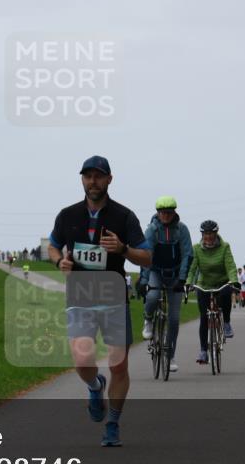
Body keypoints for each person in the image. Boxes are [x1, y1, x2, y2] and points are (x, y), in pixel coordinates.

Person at [48, 155, 151, 447]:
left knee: (119, 366)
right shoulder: (67, 215)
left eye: (98, 176)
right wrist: (59, 262)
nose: (93, 181)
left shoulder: (124, 216)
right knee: (82, 359)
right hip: (80, 297)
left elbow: (147, 257)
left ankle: (113, 424)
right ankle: (95, 386)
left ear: (109, 179)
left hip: (113, 298)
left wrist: (123, 249)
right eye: (88, 176)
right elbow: (53, 246)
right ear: (82, 179)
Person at [141, 196, 192, 373]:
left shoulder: (182, 229)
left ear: (174, 212)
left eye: (169, 212)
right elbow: (146, 256)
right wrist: (144, 280)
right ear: (157, 213)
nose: (165, 215)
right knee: (153, 295)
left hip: (175, 274)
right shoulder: (152, 230)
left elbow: (187, 254)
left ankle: (170, 356)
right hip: (156, 271)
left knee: (174, 319)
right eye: (162, 212)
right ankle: (148, 319)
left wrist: (182, 279)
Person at [186, 220, 239, 364]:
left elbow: (230, 266)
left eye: (211, 233)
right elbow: (192, 269)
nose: (208, 236)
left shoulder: (225, 247)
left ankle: (226, 323)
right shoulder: (196, 248)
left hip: (222, 282)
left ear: (216, 233)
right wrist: (189, 282)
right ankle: (203, 351)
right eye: (205, 233)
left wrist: (234, 281)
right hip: (204, 284)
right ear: (202, 234)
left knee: (226, 294)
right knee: (204, 317)